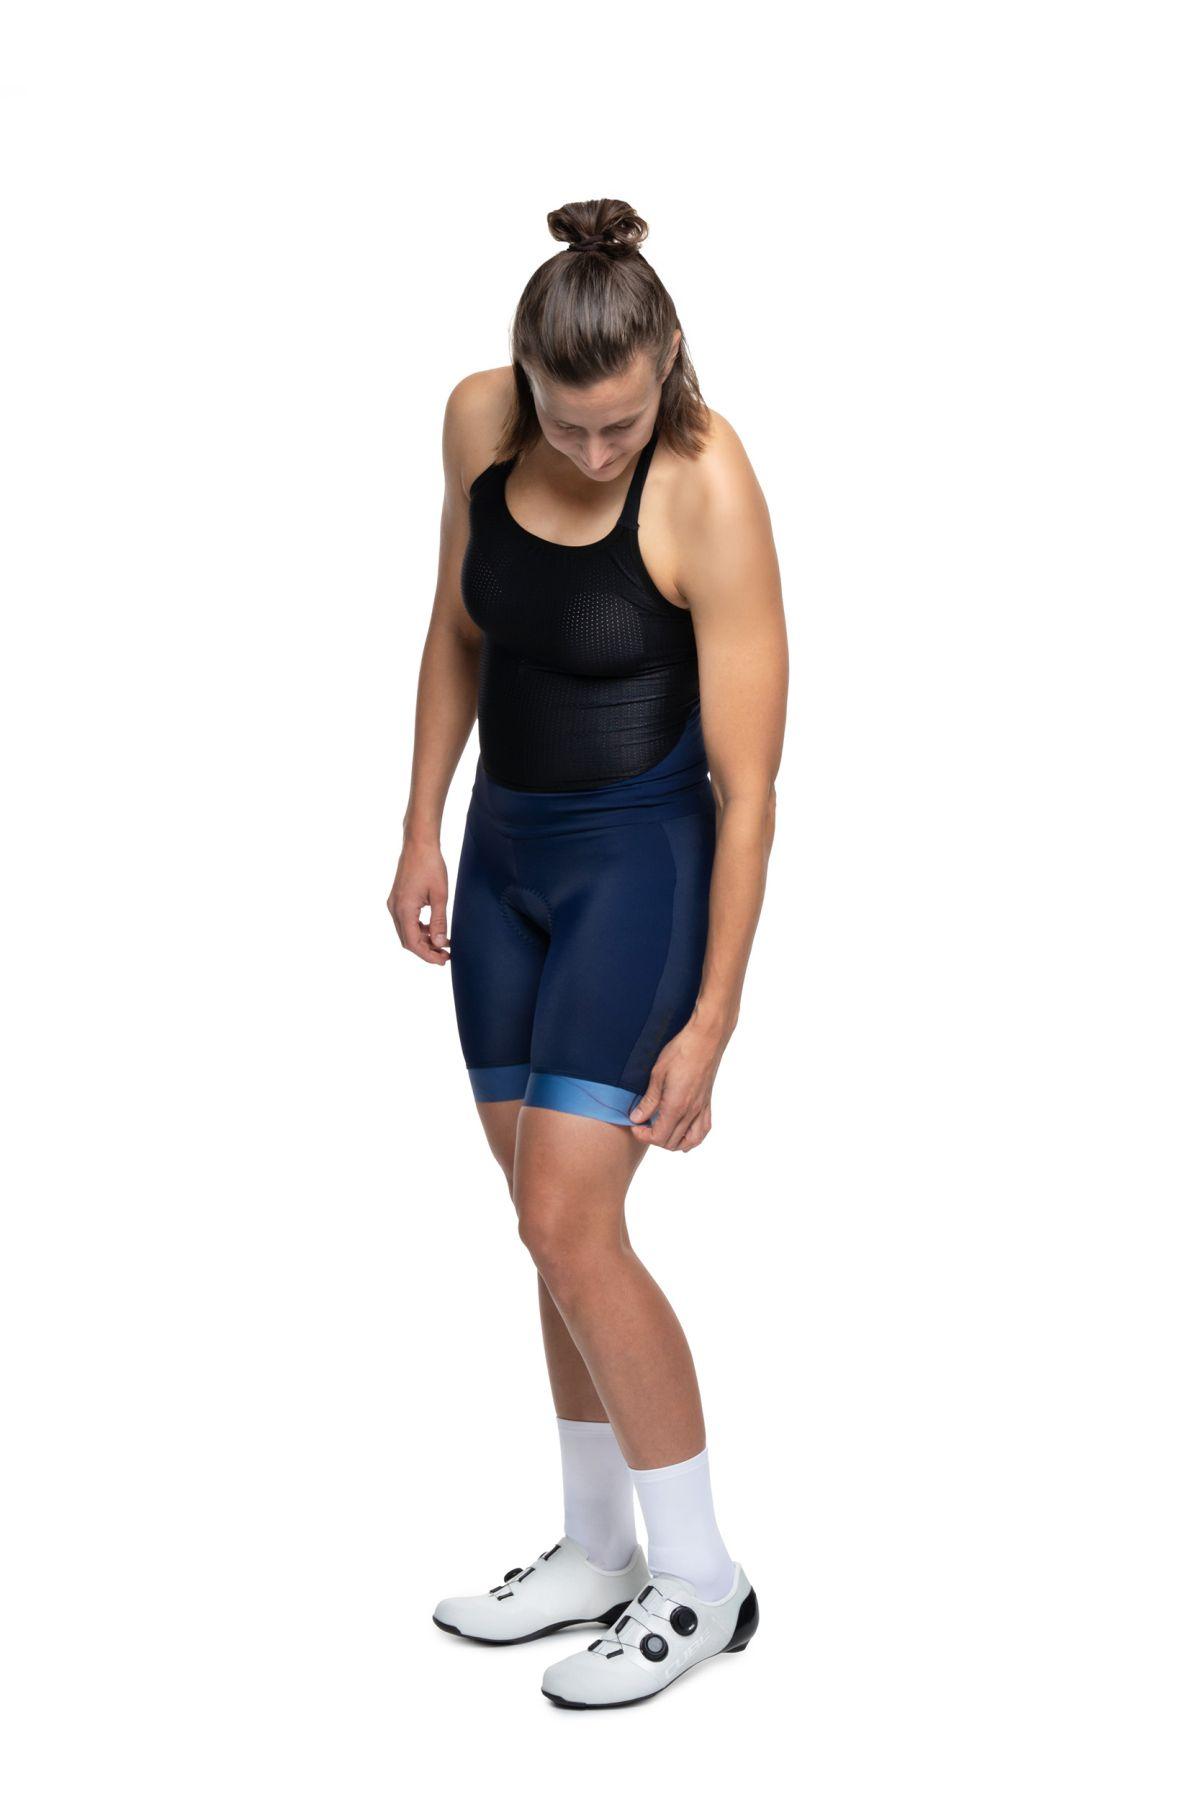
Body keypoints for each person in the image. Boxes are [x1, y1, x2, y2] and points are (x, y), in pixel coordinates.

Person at [387, 197, 787, 1708]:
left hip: (639, 867)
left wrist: (715, 1018)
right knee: (545, 1225)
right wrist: (421, 827)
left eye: (621, 421)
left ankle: (702, 1578)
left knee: (570, 1221)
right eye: (570, 424)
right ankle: (598, 1548)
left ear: (666, 360)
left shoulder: (706, 479)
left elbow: (751, 784)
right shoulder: (476, 421)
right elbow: (457, 628)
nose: (596, 449)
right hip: (502, 863)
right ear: (525, 378)